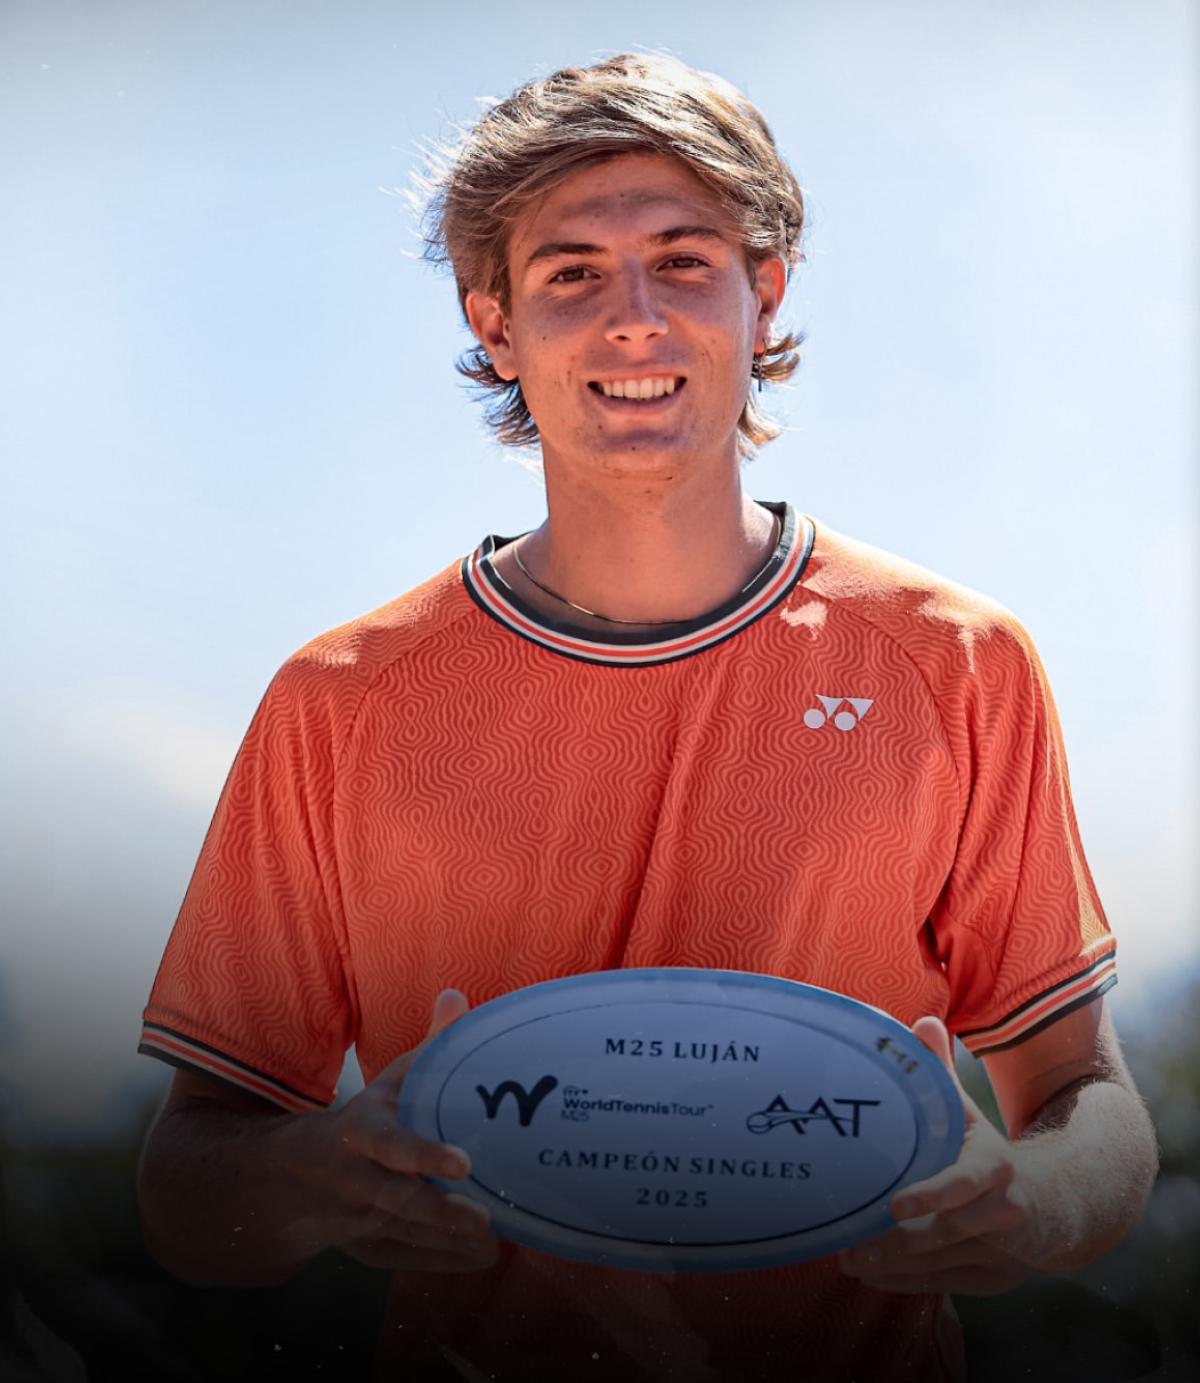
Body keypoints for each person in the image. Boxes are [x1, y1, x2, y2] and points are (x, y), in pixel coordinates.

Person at [135, 52, 1157, 1382]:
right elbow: (188, 1190)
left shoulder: (956, 662)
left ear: (761, 293)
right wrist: (316, 1169)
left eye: (683, 261)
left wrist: (1036, 1200)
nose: (634, 320)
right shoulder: (340, 702)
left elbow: (1089, 1100)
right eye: (571, 274)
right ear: (495, 326)